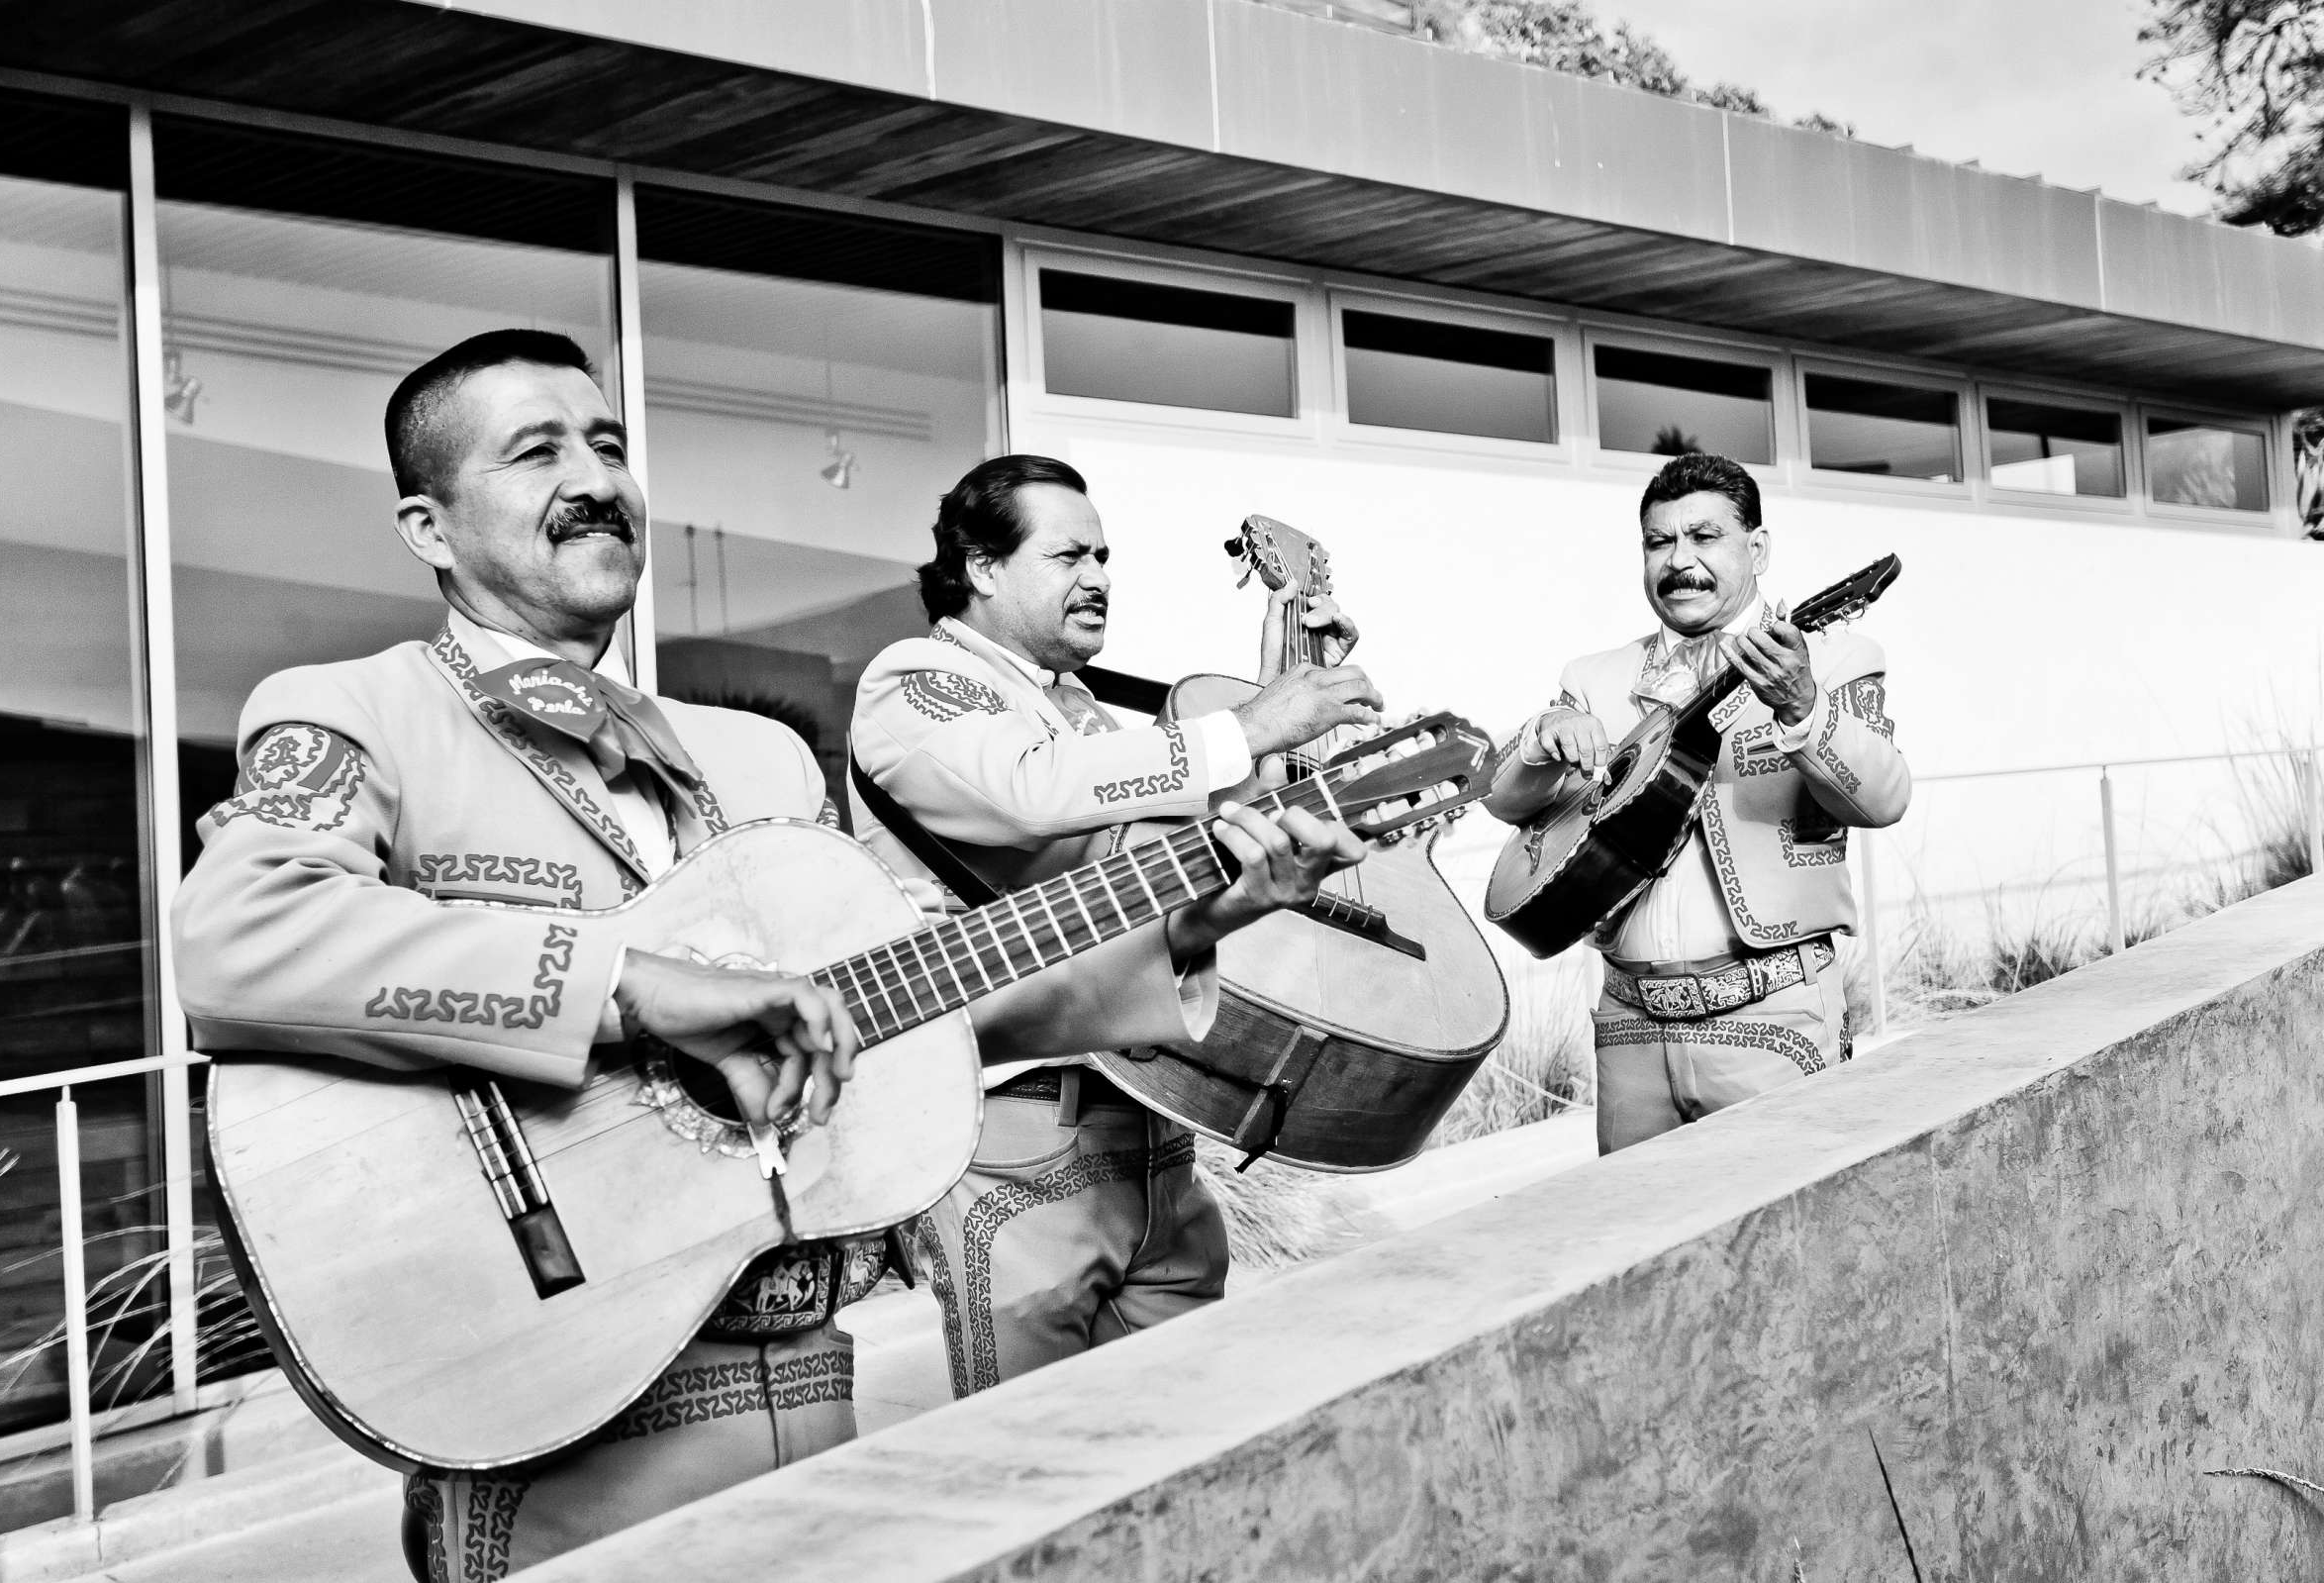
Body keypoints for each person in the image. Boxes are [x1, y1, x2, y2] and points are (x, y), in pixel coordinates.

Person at [171, 334, 1364, 1582]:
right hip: (559, 1414)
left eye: (610, 447)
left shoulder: (760, 762)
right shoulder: (357, 712)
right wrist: (631, 989)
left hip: (811, 1388)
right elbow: (240, 935)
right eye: (536, 452)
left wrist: (1195, 912)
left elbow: (906, 1003)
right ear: (427, 525)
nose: (594, 477)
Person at [848, 453, 1383, 1396]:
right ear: (979, 567)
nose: (1097, 577)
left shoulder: (1090, 715)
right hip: (1009, 1139)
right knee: (1033, 1470)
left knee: (1180, 1450)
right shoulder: (917, 679)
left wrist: (1287, 686)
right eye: (1068, 556)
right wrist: (1254, 724)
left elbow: (1193, 852)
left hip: (1153, 1132)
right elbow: (1028, 792)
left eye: (1103, 555)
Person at [1483, 451, 1910, 1154]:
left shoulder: (1831, 658)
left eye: (1704, 536)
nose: (1679, 559)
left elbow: (1886, 797)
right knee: (1639, 1245)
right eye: (1659, 541)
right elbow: (1502, 799)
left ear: (1758, 547)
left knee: (1789, 1240)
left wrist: (1804, 706)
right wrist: (1539, 738)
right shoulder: (1596, 677)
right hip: (1630, 1027)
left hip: (1774, 1018)